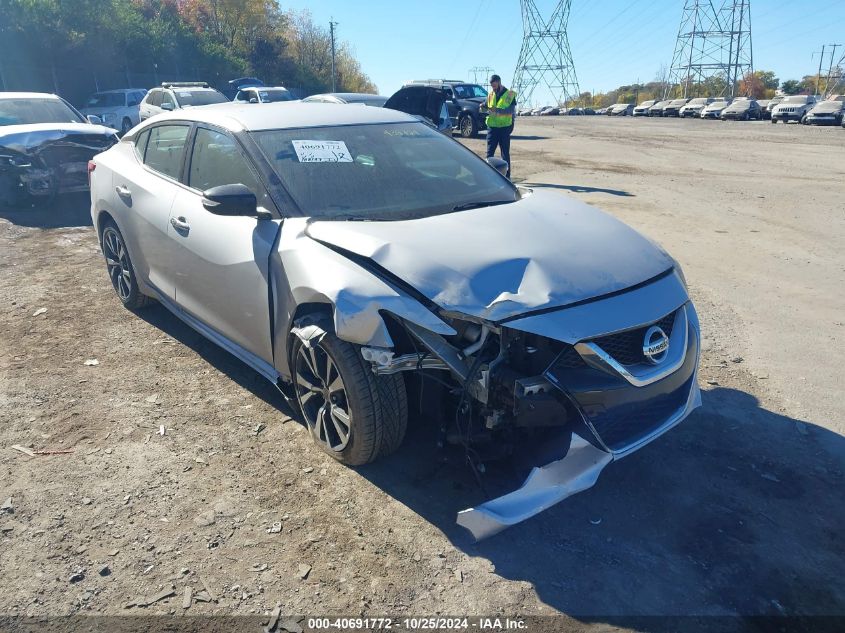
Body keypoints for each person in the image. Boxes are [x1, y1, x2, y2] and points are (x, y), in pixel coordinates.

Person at [484, 74, 517, 178]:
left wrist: (497, 111)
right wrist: (483, 106)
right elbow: (486, 105)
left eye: (494, 85)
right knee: (489, 154)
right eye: (492, 86)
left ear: (499, 82)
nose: (493, 88)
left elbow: (511, 110)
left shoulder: (509, 94)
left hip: (504, 128)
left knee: (505, 154)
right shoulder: (490, 95)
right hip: (492, 128)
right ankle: (489, 176)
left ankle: (507, 177)